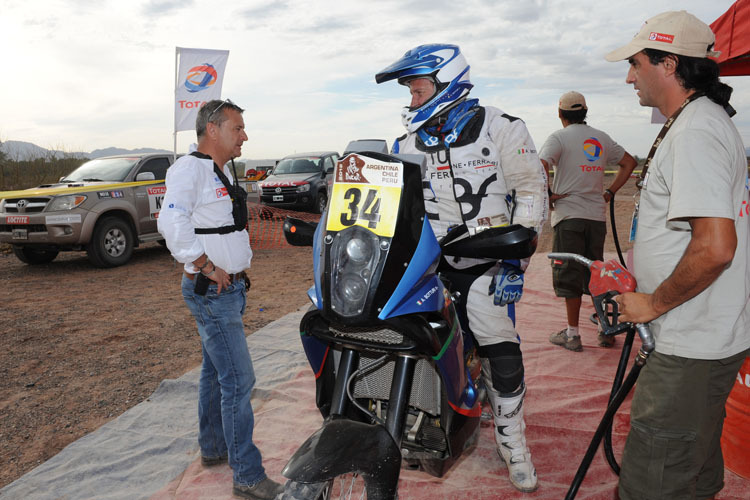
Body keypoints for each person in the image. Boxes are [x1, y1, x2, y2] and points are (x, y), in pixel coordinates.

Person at [376, 44, 548, 493]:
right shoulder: (406, 143)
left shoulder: (502, 127)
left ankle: (513, 440)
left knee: (498, 345)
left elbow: (531, 190)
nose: (412, 100)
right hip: (428, 265)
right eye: (411, 93)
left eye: (417, 91)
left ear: (445, 84)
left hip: (489, 257)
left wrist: (518, 261)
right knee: (422, 343)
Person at [605, 11, 750, 500]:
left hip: (689, 342)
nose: (629, 77)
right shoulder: (699, 121)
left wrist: (653, 303)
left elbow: (714, 248)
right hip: (700, 336)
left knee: (653, 484)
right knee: (693, 473)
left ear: (668, 63)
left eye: (636, 63)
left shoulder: (695, 131)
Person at [157, 99, 283, 500]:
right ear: (213, 129)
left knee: (215, 372)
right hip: (212, 291)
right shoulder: (188, 169)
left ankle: (213, 449)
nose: (244, 135)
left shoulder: (222, 169)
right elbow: (170, 223)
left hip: (228, 290)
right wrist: (206, 265)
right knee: (239, 379)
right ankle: (246, 474)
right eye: (238, 127)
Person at [539, 91, 637, 352]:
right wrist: (610, 192)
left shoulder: (558, 137)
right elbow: (629, 163)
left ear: (560, 114)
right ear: (585, 111)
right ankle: (606, 330)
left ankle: (572, 335)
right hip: (595, 217)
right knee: (597, 274)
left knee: (569, 274)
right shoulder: (601, 138)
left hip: (569, 216)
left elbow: (540, 164)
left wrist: (547, 193)